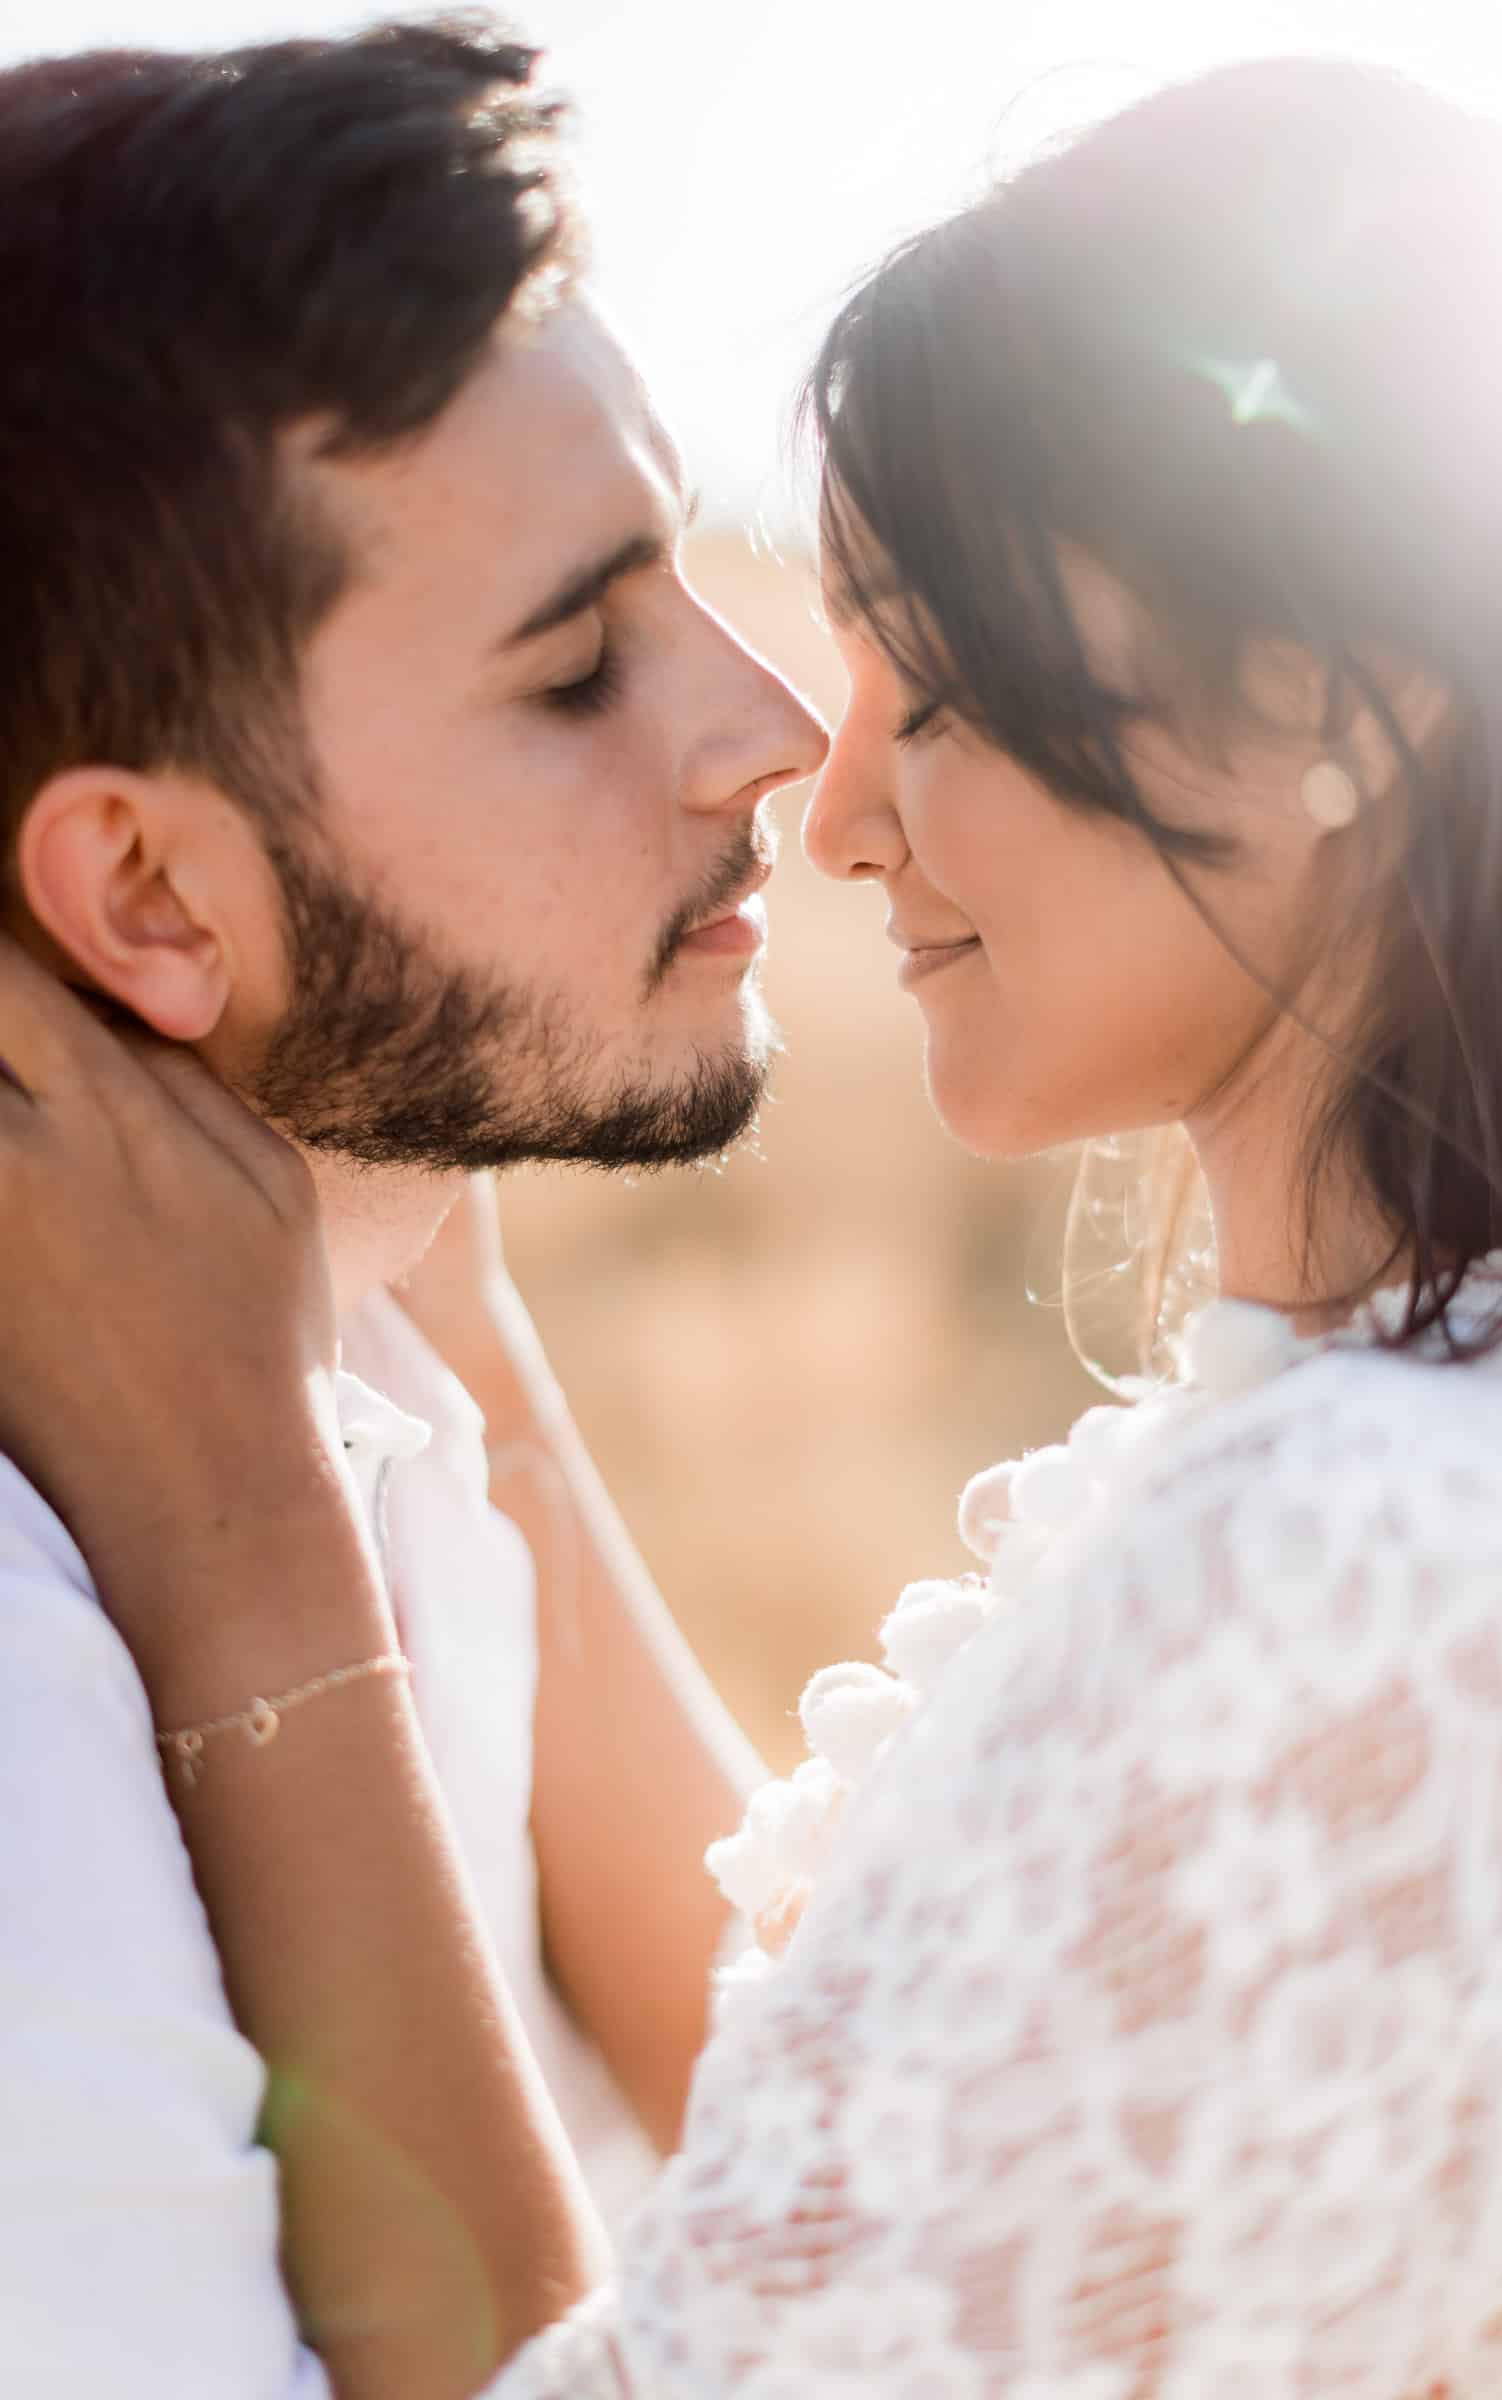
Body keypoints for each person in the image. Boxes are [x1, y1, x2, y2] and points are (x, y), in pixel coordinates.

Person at [9, 36, 1502, 2400]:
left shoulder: (1376, 1541)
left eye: (932, 686)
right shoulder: (1412, 1431)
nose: (816, 793)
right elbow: (811, 2149)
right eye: (572, 668)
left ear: (1331, 702)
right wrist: (458, 1356)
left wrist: (248, 1550)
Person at [0, 19, 829, 2394]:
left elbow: (817, 2177)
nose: (766, 724)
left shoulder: (379, 1392)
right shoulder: (38, 1713)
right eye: (576, 664)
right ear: (147, 890)